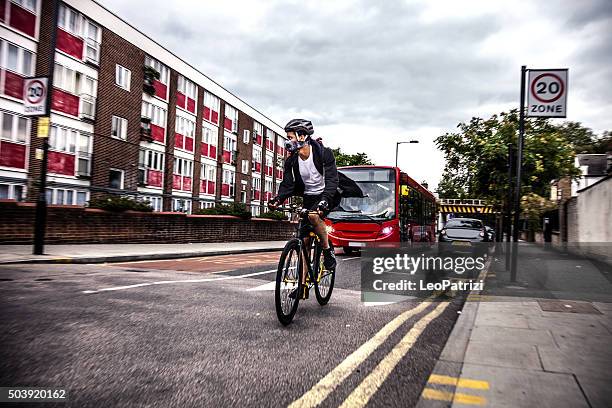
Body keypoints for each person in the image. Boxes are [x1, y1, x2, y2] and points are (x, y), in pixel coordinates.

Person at [268, 119, 338, 297]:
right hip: (308, 197)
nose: (287, 141)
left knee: (315, 217)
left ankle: (328, 251)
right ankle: (302, 287)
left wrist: (324, 201)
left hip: (327, 194)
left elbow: (332, 181)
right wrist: (278, 199)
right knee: (304, 242)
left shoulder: (324, 154)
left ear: (302, 136)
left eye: (290, 137)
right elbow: (288, 184)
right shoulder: (292, 161)